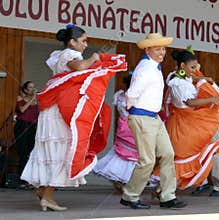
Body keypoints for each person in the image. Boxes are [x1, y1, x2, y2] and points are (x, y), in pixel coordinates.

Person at [21, 24, 127, 211]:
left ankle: (43, 190)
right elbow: (80, 66)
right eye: (84, 41)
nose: (86, 45)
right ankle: (47, 196)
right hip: (58, 110)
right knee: (62, 151)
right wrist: (94, 58)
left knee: (51, 150)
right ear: (72, 42)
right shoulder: (70, 55)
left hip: (52, 108)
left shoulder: (57, 56)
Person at [121, 33, 186, 209]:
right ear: (148, 49)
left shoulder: (154, 66)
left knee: (168, 154)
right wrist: (134, 112)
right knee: (147, 160)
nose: (162, 52)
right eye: (158, 49)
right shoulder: (146, 68)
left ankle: (167, 196)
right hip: (143, 116)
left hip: (153, 117)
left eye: (163, 49)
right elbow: (132, 93)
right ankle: (130, 195)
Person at [164, 50, 219, 191]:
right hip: (184, 123)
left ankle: (168, 190)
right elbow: (190, 102)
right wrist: (210, 99)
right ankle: (166, 190)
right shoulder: (177, 83)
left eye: (196, 67)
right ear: (182, 66)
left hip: (191, 121)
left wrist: (202, 78)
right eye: (192, 67)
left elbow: (188, 78)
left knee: (194, 153)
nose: (195, 71)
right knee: (184, 156)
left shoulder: (182, 77)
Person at [93, 75, 138, 188]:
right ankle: (125, 180)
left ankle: (121, 180)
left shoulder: (120, 96)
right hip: (131, 127)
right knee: (131, 154)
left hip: (123, 126)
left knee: (121, 153)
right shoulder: (131, 99)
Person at [14, 81, 39, 187]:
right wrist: (32, 99)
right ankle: (21, 179)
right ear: (25, 90)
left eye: (33, 87)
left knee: (31, 152)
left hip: (32, 127)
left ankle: (29, 178)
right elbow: (22, 110)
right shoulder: (20, 98)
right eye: (30, 87)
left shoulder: (36, 101)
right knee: (23, 152)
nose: (32, 89)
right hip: (22, 126)